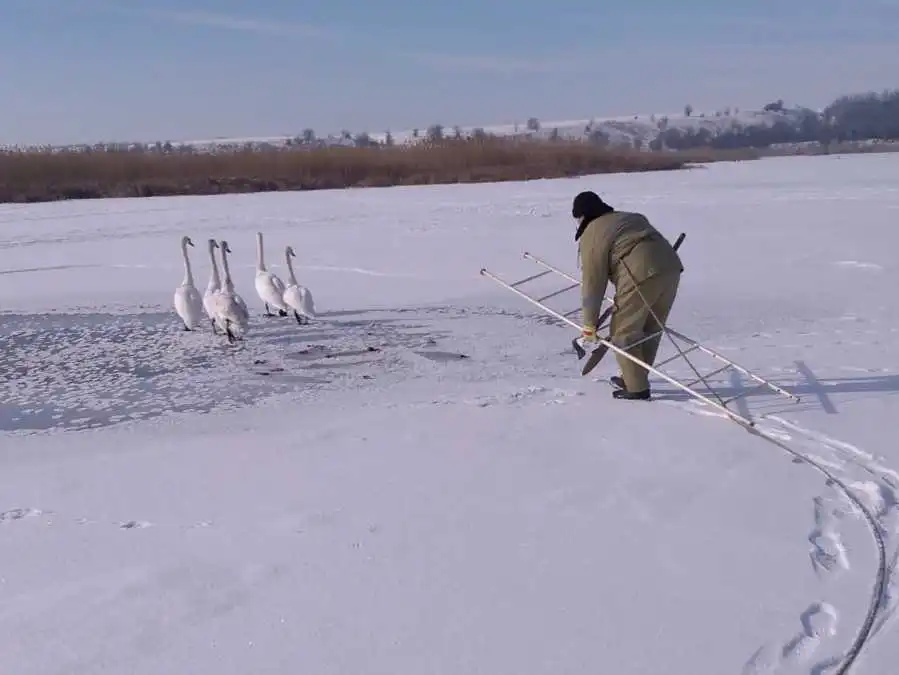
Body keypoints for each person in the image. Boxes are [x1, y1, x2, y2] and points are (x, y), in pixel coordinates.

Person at [572, 190, 683, 400]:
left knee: (623, 332)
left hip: (641, 274)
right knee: (651, 328)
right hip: (671, 268)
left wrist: (589, 324)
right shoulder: (630, 217)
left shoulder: (593, 232)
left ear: (583, 216)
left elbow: (593, 282)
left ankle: (636, 388)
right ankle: (635, 376)